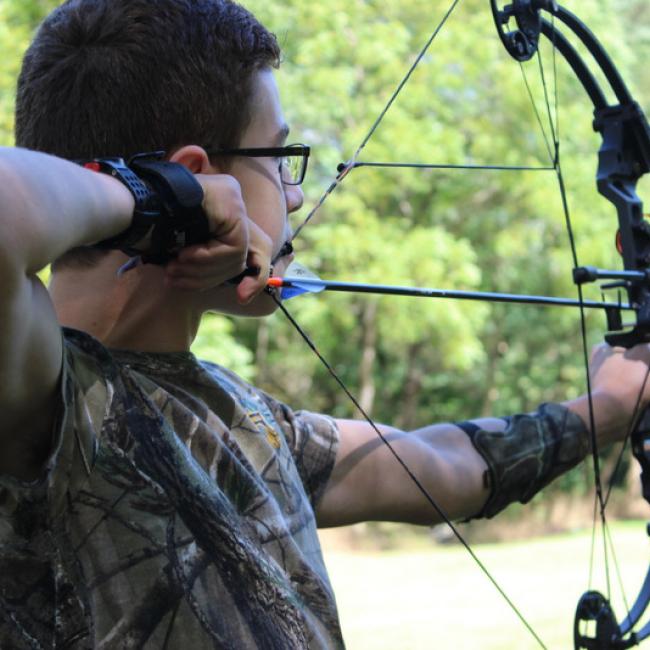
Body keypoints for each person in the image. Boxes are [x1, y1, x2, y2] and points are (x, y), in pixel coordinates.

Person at [0, 0, 647, 647]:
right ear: (194, 178)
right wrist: (159, 200)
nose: (296, 192)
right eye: (278, 158)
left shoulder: (237, 418)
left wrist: (607, 406)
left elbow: (433, 466)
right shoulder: (45, 394)